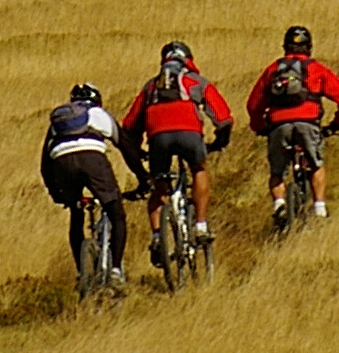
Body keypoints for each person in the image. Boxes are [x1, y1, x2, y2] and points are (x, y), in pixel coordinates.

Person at [117, 39, 233, 255]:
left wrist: (137, 149)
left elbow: (130, 126)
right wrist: (220, 142)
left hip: (158, 138)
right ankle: (200, 225)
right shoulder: (195, 81)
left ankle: (157, 238)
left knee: (159, 187)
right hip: (190, 135)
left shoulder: (151, 86)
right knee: (198, 169)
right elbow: (223, 118)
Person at [248, 24, 339, 229]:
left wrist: (260, 127)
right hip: (308, 123)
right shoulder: (317, 69)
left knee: (277, 171)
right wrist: (338, 124)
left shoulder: (273, 69)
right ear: (309, 47)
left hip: (278, 125)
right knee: (316, 164)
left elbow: (253, 105)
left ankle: (279, 205)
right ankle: (319, 209)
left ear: (285, 47)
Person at [39, 82, 128, 283]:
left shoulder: (59, 122)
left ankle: (81, 273)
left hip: (63, 163)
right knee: (116, 214)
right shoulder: (99, 114)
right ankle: (115, 271)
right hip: (92, 161)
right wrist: (143, 179)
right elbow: (125, 146)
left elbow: (45, 165)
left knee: (76, 212)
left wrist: (56, 194)